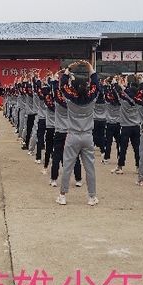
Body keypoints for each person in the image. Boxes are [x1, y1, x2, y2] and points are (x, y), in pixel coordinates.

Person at [57, 63, 99, 206]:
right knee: (90, 168)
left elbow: (63, 86)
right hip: (87, 136)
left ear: (73, 87)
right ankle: (92, 197)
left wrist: (68, 70)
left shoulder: (70, 99)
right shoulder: (92, 98)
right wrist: (90, 68)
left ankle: (62, 195)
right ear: (87, 87)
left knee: (68, 166)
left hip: (73, 135)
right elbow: (96, 85)